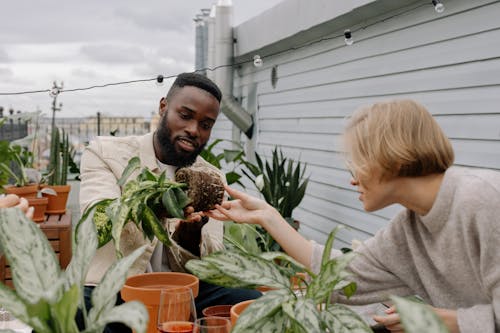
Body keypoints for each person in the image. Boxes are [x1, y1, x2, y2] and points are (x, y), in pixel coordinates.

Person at [206, 99, 500, 333]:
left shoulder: (484, 200)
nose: (352, 179)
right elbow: (340, 278)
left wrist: (438, 321)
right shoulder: (409, 228)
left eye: (356, 162)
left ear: (391, 155)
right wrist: (268, 217)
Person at [78, 72, 260, 332]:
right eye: (185, 116)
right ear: (163, 107)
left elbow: (210, 264)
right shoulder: (106, 154)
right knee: (74, 312)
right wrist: (155, 207)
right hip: (115, 287)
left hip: (182, 290)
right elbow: (100, 220)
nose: (194, 130)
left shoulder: (212, 178)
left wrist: (188, 237)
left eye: (206, 124)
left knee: (251, 302)